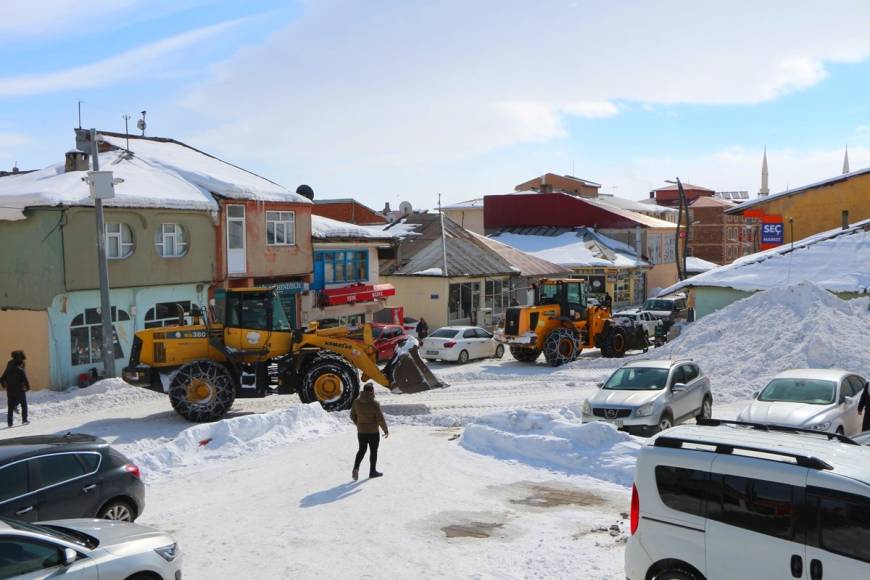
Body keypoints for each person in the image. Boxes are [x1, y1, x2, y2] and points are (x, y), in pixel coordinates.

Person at [350, 383, 389, 480]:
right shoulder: (374, 404)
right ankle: (372, 472)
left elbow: (352, 415)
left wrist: (358, 424)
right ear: (372, 391)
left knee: (361, 450)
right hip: (373, 433)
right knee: (373, 451)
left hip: (361, 432)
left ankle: (356, 468)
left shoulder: (356, 402)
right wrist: (385, 429)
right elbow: (380, 419)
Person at [1, 351, 30, 428]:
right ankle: (24, 419)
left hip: (10, 388)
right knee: (23, 403)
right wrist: (27, 387)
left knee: (10, 406)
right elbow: (23, 376)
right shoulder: (21, 363)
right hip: (19, 387)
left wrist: (4, 385)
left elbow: (4, 375)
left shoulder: (9, 363)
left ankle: (10, 423)